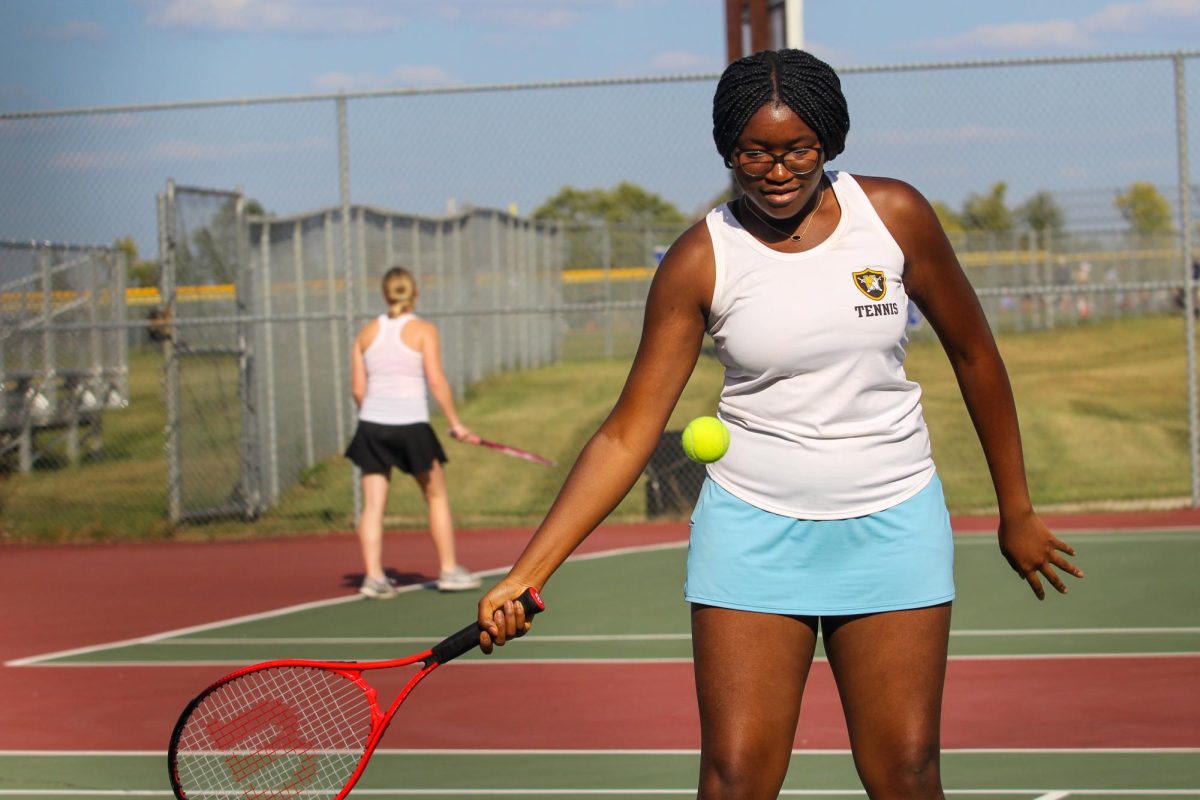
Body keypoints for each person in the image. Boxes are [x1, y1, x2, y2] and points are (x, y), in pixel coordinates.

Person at [476, 49, 1085, 799]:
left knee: (905, 772)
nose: (776, 170)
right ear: (726, 149)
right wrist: (528, 571)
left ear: (828, 139)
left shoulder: (893, 216)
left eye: (797, 148)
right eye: (753, 152)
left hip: (894, 522)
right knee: (735, 778)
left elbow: (976, 357)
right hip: (752, 533)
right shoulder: (702, 259)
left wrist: (1015, 509)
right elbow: (627, 432)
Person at [344, 266, 482, 597]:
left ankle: (374, 577)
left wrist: (376, 418)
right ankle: (449, 570)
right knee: (435, 495)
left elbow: (358, 390)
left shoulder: (365, 333)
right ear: (414, 292)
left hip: (373, 426)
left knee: (373, 505)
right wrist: (455, 423)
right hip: (411, 426)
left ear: (385, 294)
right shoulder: (423, 330)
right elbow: (435, 379)